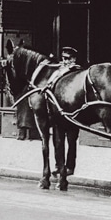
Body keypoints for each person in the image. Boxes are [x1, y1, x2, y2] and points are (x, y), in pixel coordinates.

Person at [50, 46, 81, 177]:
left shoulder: (74, 71)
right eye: (63, 58)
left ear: (73, 59)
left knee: (71, 140)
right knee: (59, 140)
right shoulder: (60, 71)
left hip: (71, 113)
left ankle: (69, 166)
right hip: (60, 112)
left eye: (67, 58)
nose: (64, 61)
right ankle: (59, 165)